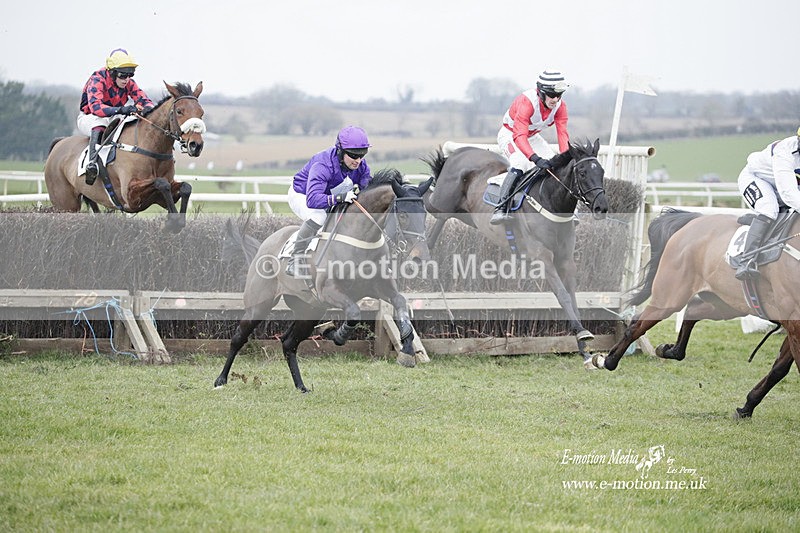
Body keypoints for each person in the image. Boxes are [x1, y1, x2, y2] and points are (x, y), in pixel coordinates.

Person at [285, 125, 373, 277]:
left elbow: (367, 184)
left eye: (362, 155)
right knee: (319, 217)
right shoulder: (323, 165)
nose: (358, 160)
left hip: (329, 194)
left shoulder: (360, 165)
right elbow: (313, 200)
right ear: (340, 151)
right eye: (353, 155)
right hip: (303, 194)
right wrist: (339, 198)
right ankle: (295, 259)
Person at [491, 69, 571, 225]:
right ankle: (501, 207)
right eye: (552, 95)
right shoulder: (527, 102)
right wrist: (535, 158)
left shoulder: (561, 107)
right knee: (520, 163)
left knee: (554, 165)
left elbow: (563, 135)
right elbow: (519, 136)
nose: (555, 99)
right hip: (510, 134)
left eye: (559, 95)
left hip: (532, 137)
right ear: (541, 92)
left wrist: (566, 157)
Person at [77, 48, 154, 185]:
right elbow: (96, 108)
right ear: (112, 73)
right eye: (123, 75)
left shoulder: (128, 83)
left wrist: (150, 110)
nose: (127, 79)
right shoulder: (97, 79)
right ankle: (92, 164)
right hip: (89, 116)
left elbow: (144, 100)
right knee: (100, 123)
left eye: (130, 75)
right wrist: (122, 109)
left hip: (113, 115)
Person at [735, 127, 800, 280]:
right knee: (769, 209)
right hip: (757, 179)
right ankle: (746, 260)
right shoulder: (784, 152)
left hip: (782, 185)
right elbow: (788, 194)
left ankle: (757, 223)